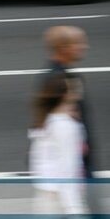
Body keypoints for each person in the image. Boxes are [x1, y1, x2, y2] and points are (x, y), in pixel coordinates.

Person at [38, 26, 94, 175]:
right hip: (69, 169)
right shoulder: (57, 80)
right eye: (79, 43)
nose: (84, 47)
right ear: (64, 48)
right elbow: (45, 127)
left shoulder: (64, 75)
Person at [29, 74, 87, 214]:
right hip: (60, 200)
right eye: (75, 88)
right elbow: (68, 170)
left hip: (45, 195)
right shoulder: (66, 127)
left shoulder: (46, 119)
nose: (79, 92)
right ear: (65, 95)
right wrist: (74, 209)